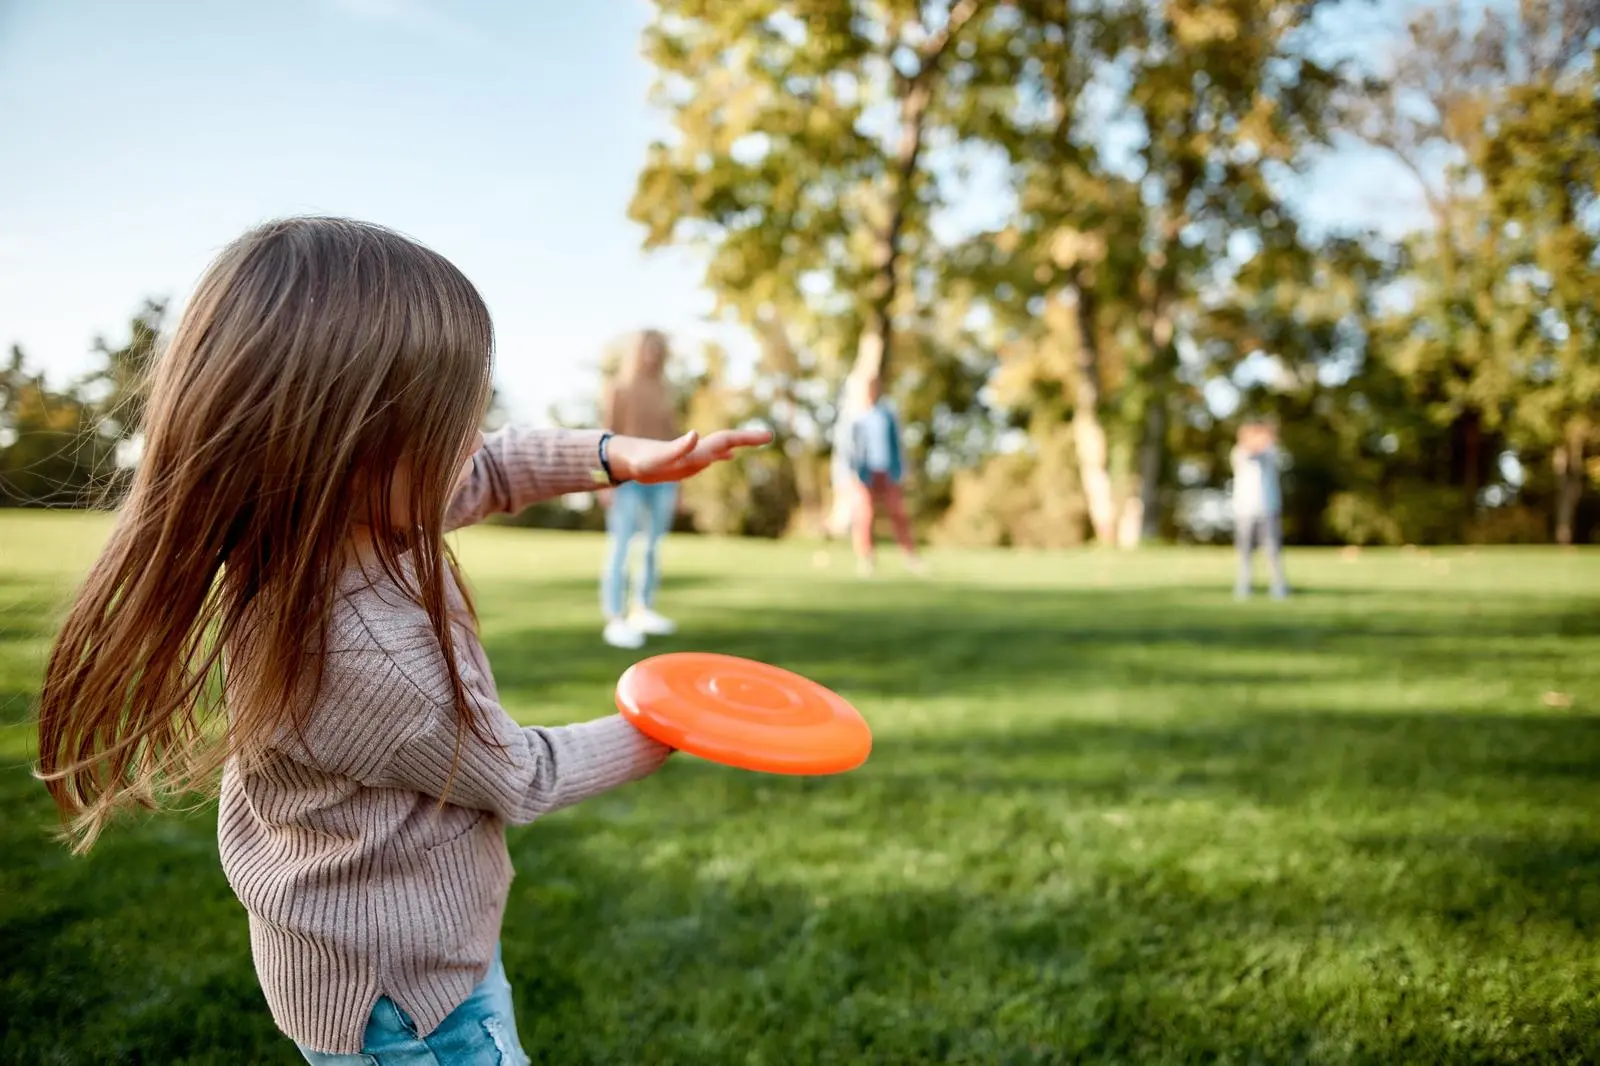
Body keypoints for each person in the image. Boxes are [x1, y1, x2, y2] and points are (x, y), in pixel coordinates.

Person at [31, 217, 770, 1065]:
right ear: (346, 443)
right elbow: (523, 775)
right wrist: (673, 725)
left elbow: (492, 469)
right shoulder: (364, 656)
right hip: (409, 1003)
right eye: (450, 423)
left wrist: (615, 455)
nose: (473, 443)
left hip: (365, 962)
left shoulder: (321, 519)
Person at [598, 330, 682, 649]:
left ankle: (642, 609)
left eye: (658, 349)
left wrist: (680, 485)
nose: (652, 355)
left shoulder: (665, 390)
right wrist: (604, 482)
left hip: (663, 478)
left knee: (651, 547)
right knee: (620, 547)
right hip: (627, 478)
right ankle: (615, 618)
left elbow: (674, 438)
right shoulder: (618, 388)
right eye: (648, 349)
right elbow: (605, 436)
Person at [835, 372, 922, 576]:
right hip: (865, 473)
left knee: (898, 513)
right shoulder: (854, 416)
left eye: (874, 388)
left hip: (888, 471)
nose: (871, 392)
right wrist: (848, 474)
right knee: (865, 516)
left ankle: (910, 556)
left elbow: (897, 444)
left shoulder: (887, 415)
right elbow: (847, 449)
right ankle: (866, 558)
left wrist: (901, 470)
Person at [1232, 419, 1289, 600]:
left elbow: (1266, 452)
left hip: (1268, 508)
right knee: (1245, 551)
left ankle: (1278, 586)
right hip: (1245, 509)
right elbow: (1249, 453)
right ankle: (1244, 585)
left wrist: (1266, 439)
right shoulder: (1239, 452)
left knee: (1272, 550)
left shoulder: (1271, 452)